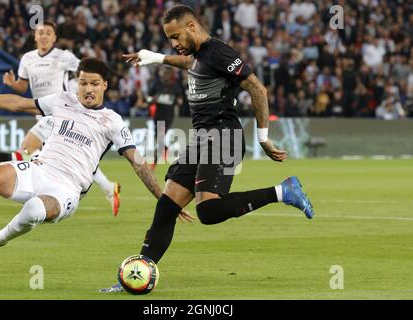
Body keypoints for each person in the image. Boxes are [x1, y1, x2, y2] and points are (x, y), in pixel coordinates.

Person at [102, 5, 314, 293]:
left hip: (223, 136)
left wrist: (263, 138)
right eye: (169, 39)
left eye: (175, 36)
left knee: (209, 212)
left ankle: (283, 191)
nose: (174, 43)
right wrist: (156, 58)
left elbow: (257, 88)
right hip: (202, 138)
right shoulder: (201, 56)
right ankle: (136, 275)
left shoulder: (219, 52)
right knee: (166, 208)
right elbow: (191, 65)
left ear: (191, 26)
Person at [0, 58, 194, 254]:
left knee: (34, 209)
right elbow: (18, 104)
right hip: (39, 169)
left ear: (105, 85)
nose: (88, 89)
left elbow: (138, 163)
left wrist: (166, 201)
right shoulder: (63, 100)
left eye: (94, 83)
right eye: (83, 83)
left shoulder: (112, 120)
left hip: (66, 189)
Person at [2, 22, 121, 215]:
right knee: (64, 155)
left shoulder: (63, 57)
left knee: (27, 147)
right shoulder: (27, 59)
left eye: (48, 33)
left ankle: (31, 187)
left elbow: (85, 71)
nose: (44, 36)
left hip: (59, 114)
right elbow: (23, 88)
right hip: (41, 112)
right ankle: (108, 188)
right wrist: (12, 85)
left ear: (55, 38)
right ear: (35, 36)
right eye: (40, 33)